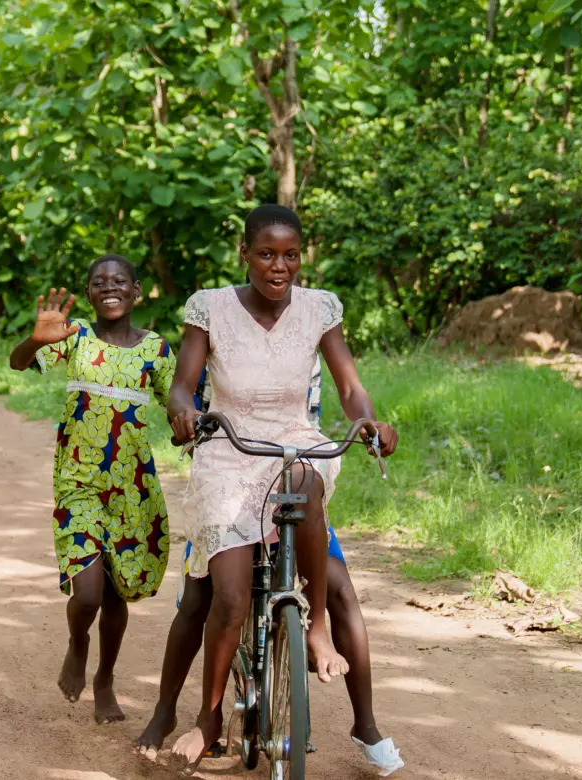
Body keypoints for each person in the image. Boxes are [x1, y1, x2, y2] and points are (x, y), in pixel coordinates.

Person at [159, 204, 399, 771]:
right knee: (229, 597)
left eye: (291, 255)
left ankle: (315, 628)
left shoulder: (319, 308)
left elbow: (349, 387)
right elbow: (182, 385)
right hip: (229, 447)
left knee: (305, 479)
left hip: (293, 442)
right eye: (266, 254)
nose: (279, 266)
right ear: (244, 253)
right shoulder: (210, 307)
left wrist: (368, 421)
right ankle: (208, 718)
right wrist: (183, 412)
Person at [135, 357, 405, 775]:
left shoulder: (308, 342)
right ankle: (165, 711)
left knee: (338, 586)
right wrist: (184, 418)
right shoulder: (219, 342)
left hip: (291, 481)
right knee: (199, 597)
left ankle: (366, 725)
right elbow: (184, 400)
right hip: (229, 484)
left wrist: (369, 424)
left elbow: (342, 398)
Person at [7, 255, 176, 725]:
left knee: (116, 592)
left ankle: (105, 679)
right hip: (79, 482)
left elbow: (179, 402)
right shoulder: (75, 335)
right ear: (88, 294)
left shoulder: (156, 348)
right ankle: (78, 642)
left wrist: (195, 426)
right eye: (99, 282)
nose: (109, 288)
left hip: (132, 488)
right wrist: (34, 340)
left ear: (137, 290)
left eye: (119, 281)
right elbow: (19, 363)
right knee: (88, 595)